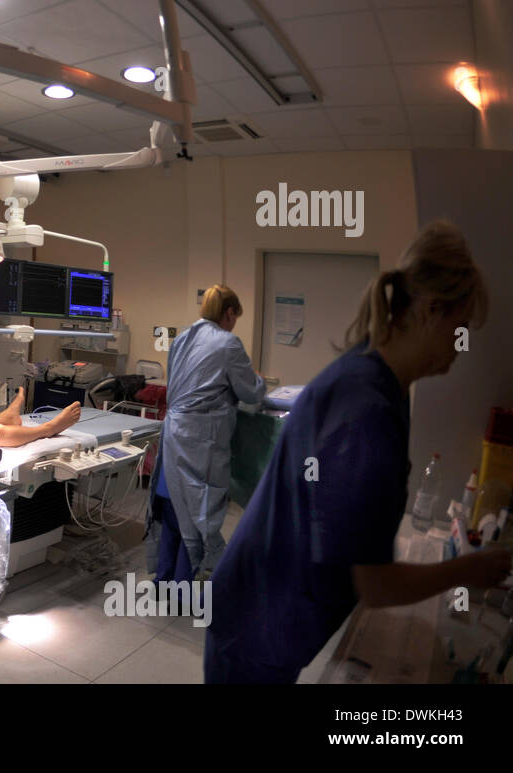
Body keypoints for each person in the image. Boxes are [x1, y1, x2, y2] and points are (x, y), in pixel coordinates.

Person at [205, 220, 511, 683]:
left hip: (263, 604)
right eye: (460, 327)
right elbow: (375, 583)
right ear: (431, 310)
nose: (461, 345)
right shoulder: (366, 409)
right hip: (257, 620)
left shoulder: (377, 377)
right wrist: (468, 568)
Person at [144, 285, 266, 587]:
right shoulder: (228, 344)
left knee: (173, 508)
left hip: (173, 435)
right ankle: (187, 588)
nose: (234, 323)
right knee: (199, 516)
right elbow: (250, 390)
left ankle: (164, 581)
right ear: (228, 313)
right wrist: (263, 384)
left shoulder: (182, 338)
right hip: (201, 441)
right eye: (235, 317)